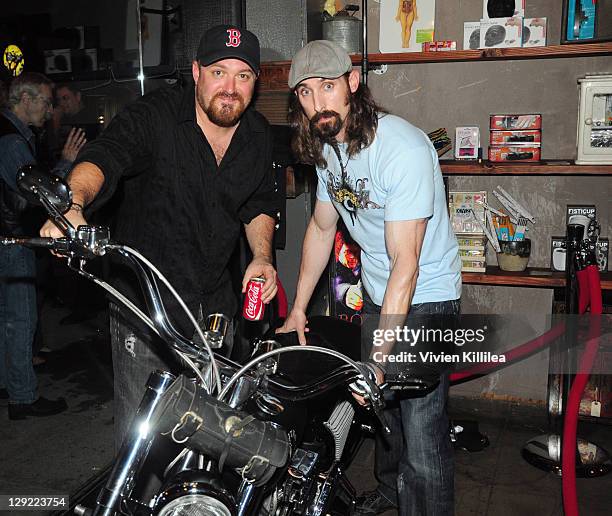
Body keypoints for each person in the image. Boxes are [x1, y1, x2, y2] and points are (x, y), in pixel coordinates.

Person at [40, 25, 280, 448]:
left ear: (255, 82)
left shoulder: (258, 136)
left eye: (243, 75)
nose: (230, 87)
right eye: (219, 72)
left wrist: (262, 256)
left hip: (215, 311)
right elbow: (105, 157)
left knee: (211, 435)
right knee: (145, 441)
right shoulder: (155, 116)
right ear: (196, 71)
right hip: (147, 310)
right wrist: (72, 205)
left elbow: (258, 203)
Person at [278, 40, 462, 515]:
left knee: (422, 433)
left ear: (353, 84)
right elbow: (321, 229)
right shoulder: (327, 150)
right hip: (384, 294)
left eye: (328, 86)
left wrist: (381, 358)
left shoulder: (401, 148)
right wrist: (298, 307)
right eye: (305, 92)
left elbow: (408, 264)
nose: (318, 102)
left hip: (427, 298)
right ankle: (389, 490)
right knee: (387, 419)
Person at [0, 72, 85, 419]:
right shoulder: (12, 143)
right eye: (46, 102)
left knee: (8, 318)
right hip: (12, 240)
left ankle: (10, 382)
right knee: (20, 318)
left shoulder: (13, 135)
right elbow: (39, 193)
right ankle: (22, 397)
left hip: (7, 236)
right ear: (26, 99)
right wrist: (66, 162)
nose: (50, 109)